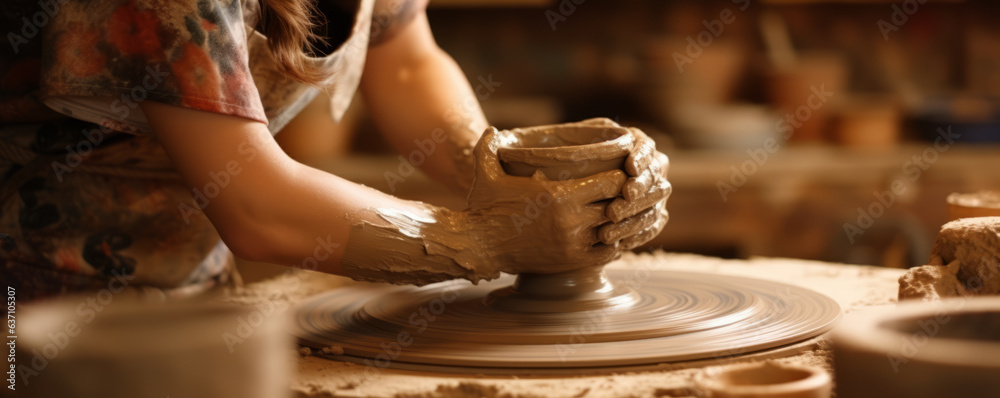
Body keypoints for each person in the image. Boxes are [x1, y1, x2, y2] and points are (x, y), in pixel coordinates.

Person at [1, 0, 670, 300]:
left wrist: (496, 163)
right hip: (26, 303)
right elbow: (256, 205)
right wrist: (489, 241)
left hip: (184, 285)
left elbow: (406, 60)